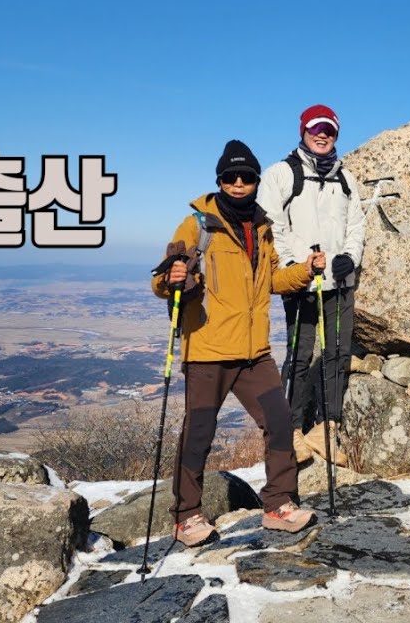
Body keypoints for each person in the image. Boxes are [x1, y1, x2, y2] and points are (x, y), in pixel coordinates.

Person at [152, 139, 321, 545]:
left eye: (247, 177)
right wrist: (171, 280)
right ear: (220, 180)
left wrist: (305, 271)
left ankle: (279, 504)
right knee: (199, 433)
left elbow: (274, 280)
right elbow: (165, 277)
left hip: (254, 353)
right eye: (231, 176)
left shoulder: (262, 229)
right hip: (208, 351)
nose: (239, 183)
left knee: (279, 423)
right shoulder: (197, 225)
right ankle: (187, 515)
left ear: (257, 181)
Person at [258, 105, 366, 467]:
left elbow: (357, 224)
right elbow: (272, 226)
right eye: (316, 129)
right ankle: (290, 431)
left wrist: (350, 256)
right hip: (301, 282)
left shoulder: (346, 179)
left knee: (336, 352)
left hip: (340, 281)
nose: (323, 135)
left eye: (330, 131)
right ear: (303, 131)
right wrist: (292, 266)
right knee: (300, 354)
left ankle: (328, 426)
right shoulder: (282, 174)